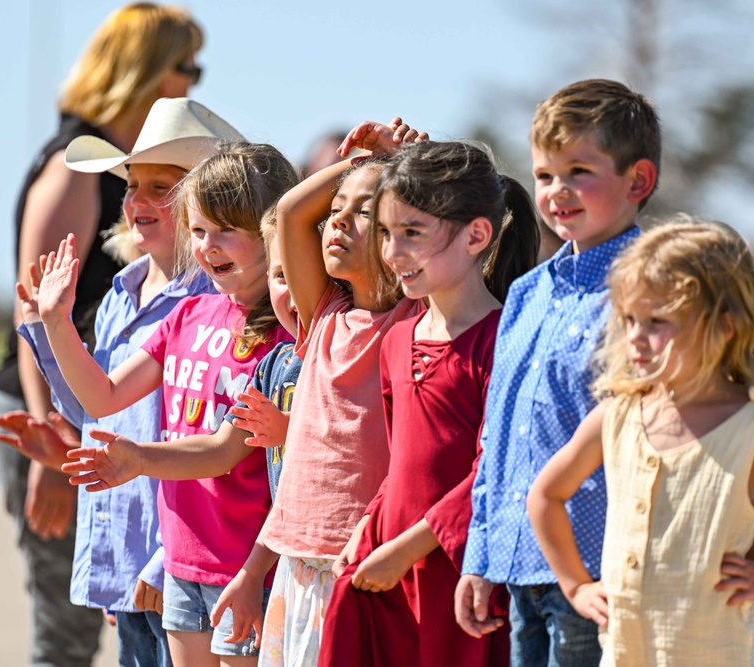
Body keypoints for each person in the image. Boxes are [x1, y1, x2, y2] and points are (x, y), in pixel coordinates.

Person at [0, 5, 203, 664]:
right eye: (185, 66)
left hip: (98, 401)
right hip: (53, 407)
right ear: (146, 71)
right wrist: (56, 444)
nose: (194, 81)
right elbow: (36, 313)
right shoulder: (75, 168)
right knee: (69, 632)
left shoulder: (123, 167)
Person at [47, 142, 298, 667]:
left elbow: (223, 451)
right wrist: (56, 323)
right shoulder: (188, 316)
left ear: (272, 232)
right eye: (200, 230)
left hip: (247, 563)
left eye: (228, 229)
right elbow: (102, 394)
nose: (210, 246)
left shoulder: (285, 335)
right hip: (185, 561)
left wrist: (140, 459)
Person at [455, 79, 661, 667]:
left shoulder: (652, 292)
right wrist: (480, 554)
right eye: (545, 175)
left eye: (578, 171)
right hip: (520, 564)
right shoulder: (525, 293)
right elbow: (497, 434)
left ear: (638, 181)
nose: (556, 191)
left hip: (601, 571)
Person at [319, 140, 539, 667]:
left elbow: (499, 472)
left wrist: (408, 548)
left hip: (462, 579)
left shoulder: (508, 340)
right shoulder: (397, 339)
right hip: (387, 571)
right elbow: (401, 464)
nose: (393, 254)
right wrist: (368, 529)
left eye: (412, 233)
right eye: (388, 234)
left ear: (477, 235)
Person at [527, 217, 754, 665]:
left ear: (725, 327)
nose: (636, 339)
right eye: (629, 319)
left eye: (658, 321)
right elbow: (546, 495)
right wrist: (575, 586)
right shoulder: (616, 415)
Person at [254, 119, 425, 667]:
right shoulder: (324, 315)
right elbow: (289, 214)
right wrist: (358, 165)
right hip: (299, 559)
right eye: (336, 211)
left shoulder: (415, 319)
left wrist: (405, 169)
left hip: (365, 555)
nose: (337, 223)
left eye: (363, 213)